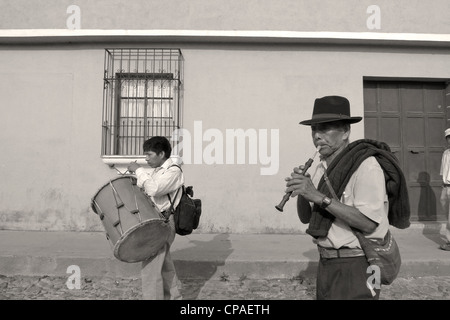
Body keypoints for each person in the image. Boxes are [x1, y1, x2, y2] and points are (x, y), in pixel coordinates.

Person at [285, 95, 409, 300]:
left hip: (359, 264)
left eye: (325, 129)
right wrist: (302, 189)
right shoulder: (320, 167)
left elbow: (368, 224)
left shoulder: (366, 166)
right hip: (327, 263)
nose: (317, 135)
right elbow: (306, 218)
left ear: (345, 132)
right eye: (314, 130)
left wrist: (317, 196)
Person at [127, 136, 184, 300]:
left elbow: (154, 189)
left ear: (161, 154)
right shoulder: (158, 171)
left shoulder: (174, 171)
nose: (146, 159)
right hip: (156, 221)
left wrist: (139, 170)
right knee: (164, 265)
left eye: (149, 154)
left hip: (164, 223)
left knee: (151, 266)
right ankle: (173, 297)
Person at [439, 128, 450, 251]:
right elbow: (444, 169)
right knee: (447, 212)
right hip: (446, 186)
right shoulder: (446, 153)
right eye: (449, 138)